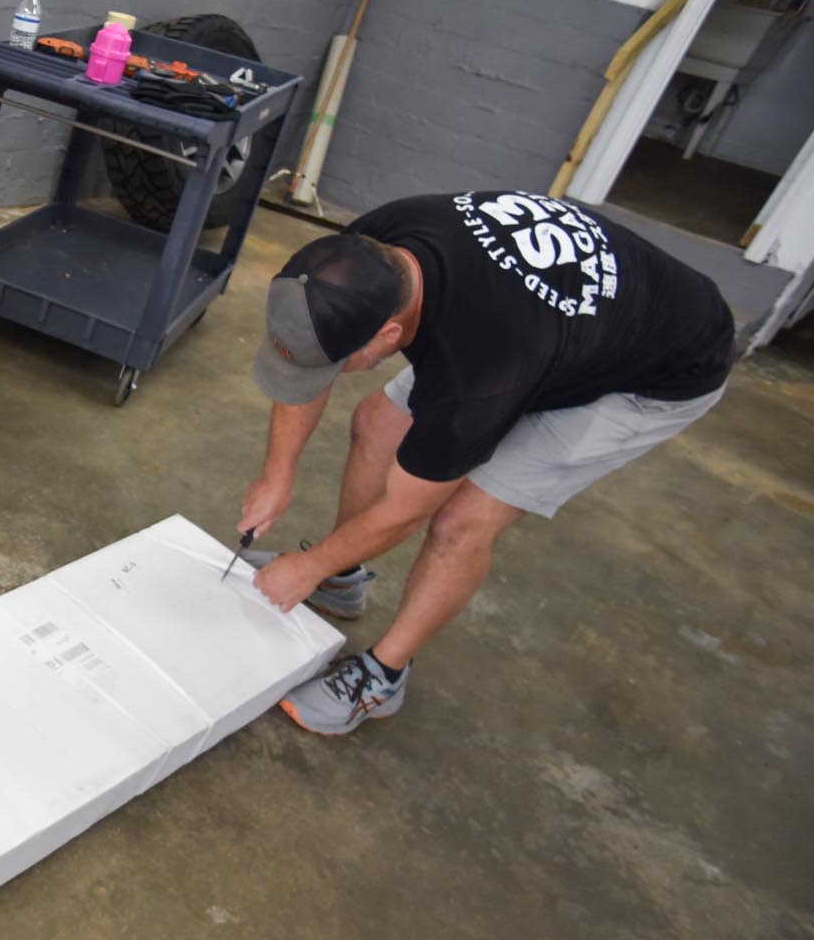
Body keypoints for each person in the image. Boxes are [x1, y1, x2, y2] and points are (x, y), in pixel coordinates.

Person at [239, 191, 735, 735]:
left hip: (654, 374)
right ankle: (341, 575)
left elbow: (407, 511)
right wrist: (277, 472)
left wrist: (304, 568)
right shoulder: (359, 255)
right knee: (376, 424)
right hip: (559, 326)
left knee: (460, 522)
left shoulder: (479, 376)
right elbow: (314, 351)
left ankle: (384, 677)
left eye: (339, 360)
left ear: (388, 333)